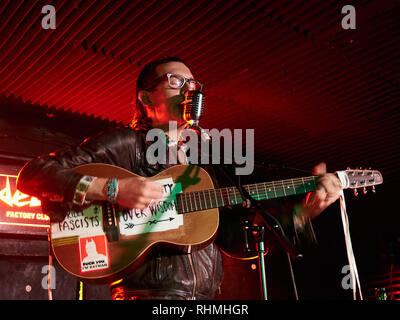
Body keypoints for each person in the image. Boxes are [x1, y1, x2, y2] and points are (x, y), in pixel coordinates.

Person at [17, 56, 342, 300]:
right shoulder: (126, 144)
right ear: (146, 99)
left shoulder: (204, 163)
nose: (187, 89)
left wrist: (303, 213)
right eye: (175, 81)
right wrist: (113, 189)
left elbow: (234, 238)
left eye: (191, 84)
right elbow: (33, 176)